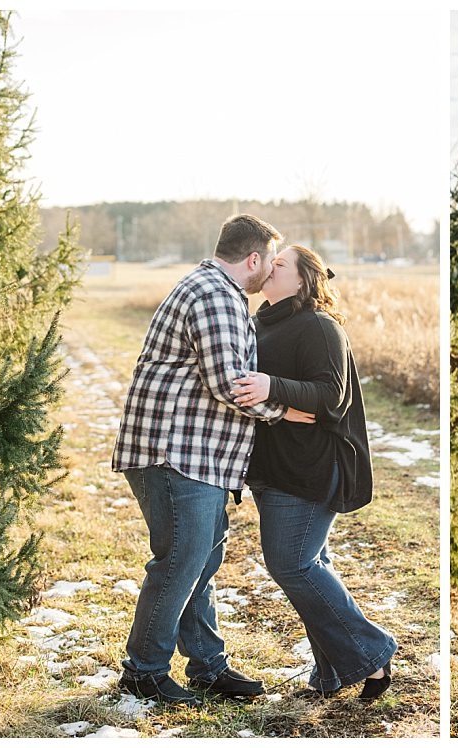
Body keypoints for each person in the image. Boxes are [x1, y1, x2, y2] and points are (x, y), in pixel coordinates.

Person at [111, 215, 316, 706]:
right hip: (175, 454)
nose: (270, 273)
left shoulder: (214, 291)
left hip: (196, 456)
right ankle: (144, 671)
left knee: (199, 561)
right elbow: (230, 383)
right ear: (253, 258)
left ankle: (206, 665)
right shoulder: (216, 296)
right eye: (269, 261)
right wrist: (287, 409)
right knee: (181, 562)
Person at [230, 244, 397, 702]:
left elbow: (331, 397)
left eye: (280, 264)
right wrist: (279, 405)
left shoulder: (320, 327)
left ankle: (373, 651)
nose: (269, 267)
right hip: (271, 467)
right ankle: (328, 675)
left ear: (303, 280)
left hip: (308, 469)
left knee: (292, 564)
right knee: (310, 565)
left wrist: (271, 387)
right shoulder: (261, 323)